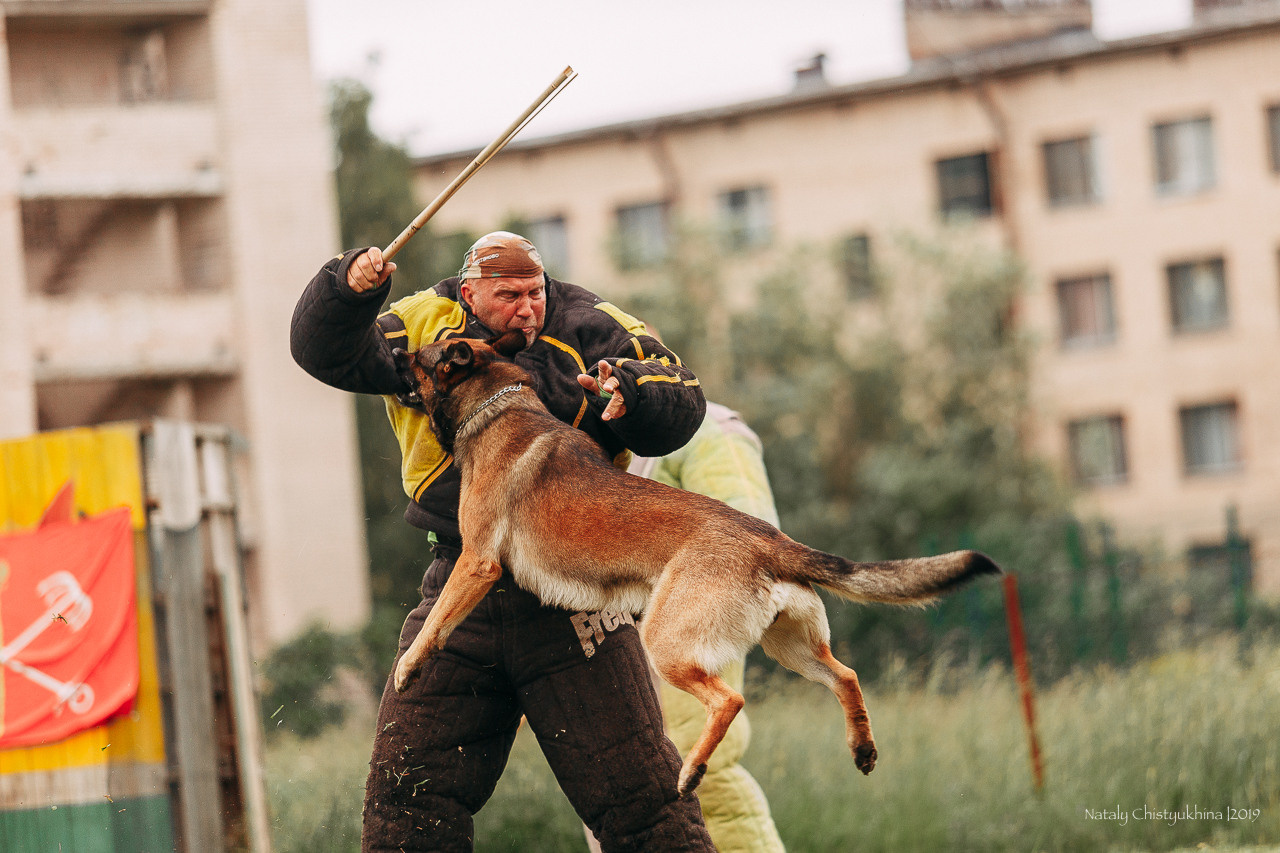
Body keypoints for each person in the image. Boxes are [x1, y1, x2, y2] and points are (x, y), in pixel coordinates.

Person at [290, 232, 714, 853]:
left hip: (574, 593)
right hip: (458, 588)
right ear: (469, 293)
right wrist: (347, 288)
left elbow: (684, 390)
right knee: (406, 802)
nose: (526, 310)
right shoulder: (422, 324)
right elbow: (327, 351)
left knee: (646, 808)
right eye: (507, 296)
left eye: (534, 294)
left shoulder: (593, 324)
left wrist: (637, 392)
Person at [586, 364, 788, 853]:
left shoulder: (710, 431)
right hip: (625, 629)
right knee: (619, 782)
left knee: (700, 770)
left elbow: (750, 529)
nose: (607, 387)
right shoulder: (598, 431)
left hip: (690, 619)